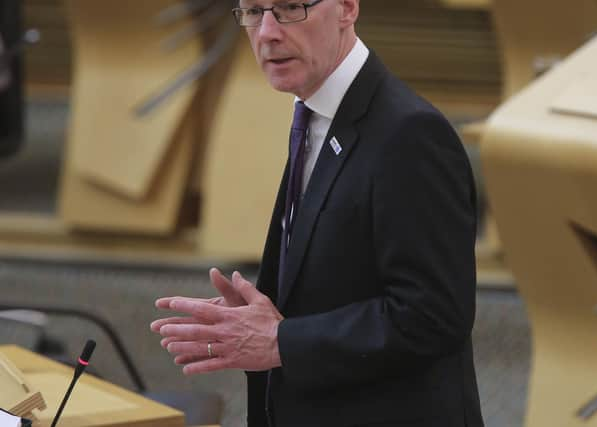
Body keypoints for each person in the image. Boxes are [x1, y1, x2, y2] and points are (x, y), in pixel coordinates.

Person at [151, 0, 484, 426]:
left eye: (290, 8)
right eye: (254, 11)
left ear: (347, 8)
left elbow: (434, 315)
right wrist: (260, 314)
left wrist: (280, 340)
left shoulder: (410, 134)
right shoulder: (313, 112)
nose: (267, 32)